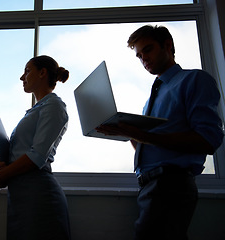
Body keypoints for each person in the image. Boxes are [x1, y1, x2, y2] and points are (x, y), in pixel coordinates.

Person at [96, 25, 224, 240]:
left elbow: (208, 140)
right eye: (139, 55)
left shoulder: (194, 80)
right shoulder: (151, 100)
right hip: (151, 186)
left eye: (148, 50)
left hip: (170, 185)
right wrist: (127, 134)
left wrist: (140, 135)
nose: (143, 58)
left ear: (168, 46)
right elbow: (149, 145)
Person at [0, 55, 71, 240]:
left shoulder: (54, 106)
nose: (22, 77)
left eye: (27, 71)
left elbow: (37, 156)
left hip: (38, 195)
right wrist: (6, 164)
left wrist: (2, 174)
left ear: (42, 73)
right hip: (23, 195)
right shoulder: (39, 108)